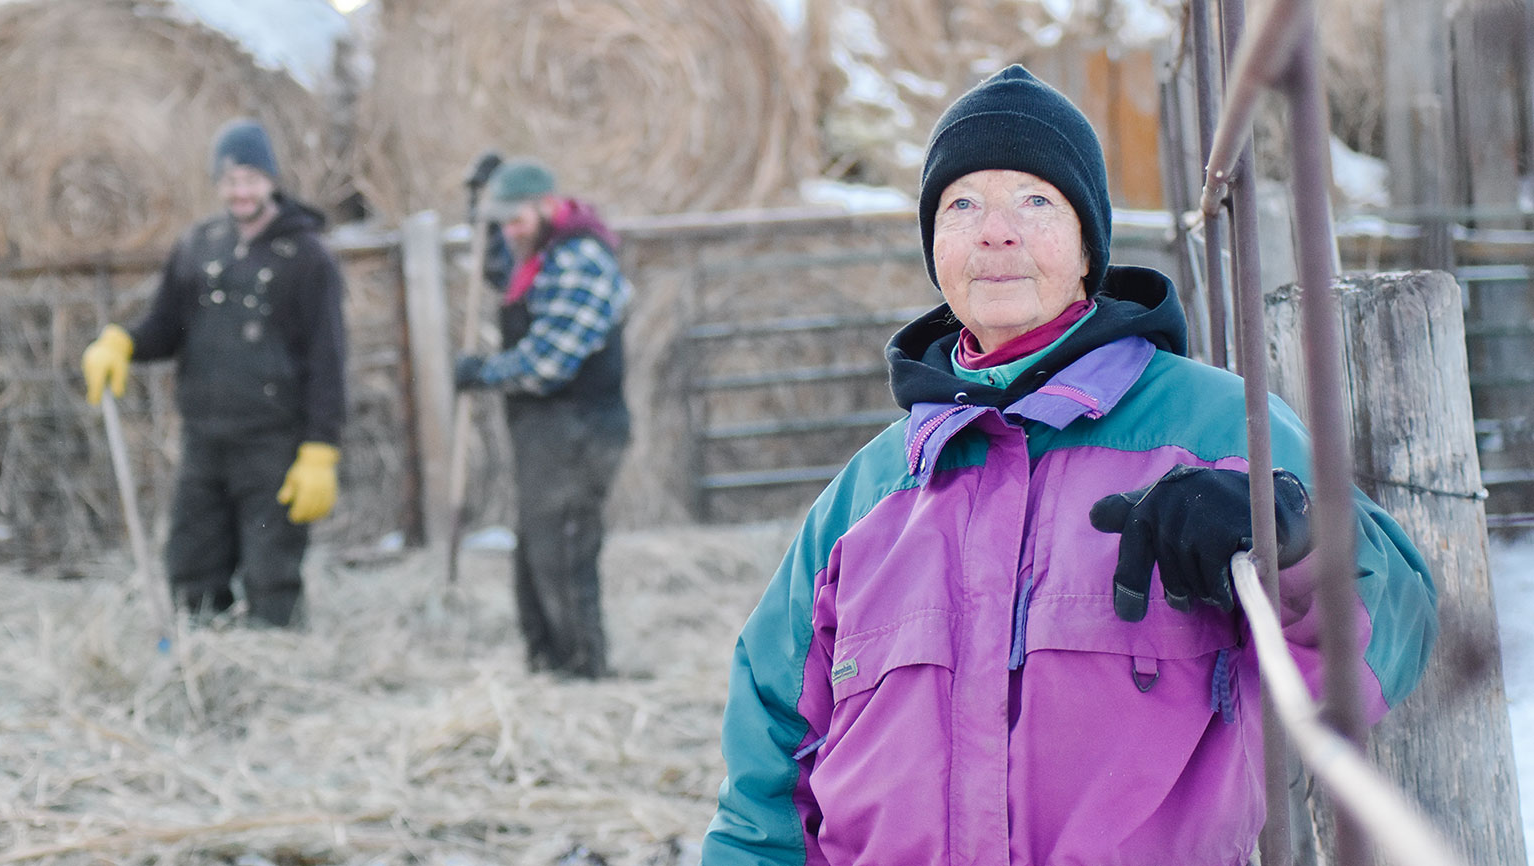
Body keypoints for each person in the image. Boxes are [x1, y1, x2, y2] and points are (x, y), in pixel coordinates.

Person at [702, 65, 1438, 865]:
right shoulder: (868, 496)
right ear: (936, 248)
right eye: (963, 204)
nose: (997, 230)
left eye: (1036, 201)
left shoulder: (1217, 425)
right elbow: (768, 771)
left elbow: (1392, 627)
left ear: (1089, 245)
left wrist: (1286, 536)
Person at [81, 118, 347, 628]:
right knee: (191, 562)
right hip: (205, 440)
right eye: (228, 181)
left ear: (271, 179)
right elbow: (166, 325)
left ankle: (274, 669)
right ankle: (207, 666)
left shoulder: (307, 256)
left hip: (273, 444)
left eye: (249, 177)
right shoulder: (200, 245)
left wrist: (321, 449)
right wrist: (122, 341)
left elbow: (328, 359)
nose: (239, 191)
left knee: (271, 569)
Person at [453, 158, 632, 679]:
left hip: (579, 430)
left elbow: (548, 364)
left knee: (564, 551)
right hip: (549, 434)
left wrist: (486, 372)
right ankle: (545, 662)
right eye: (502, 223)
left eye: (517, 221)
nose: (510, 233)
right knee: (535, 547)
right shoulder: (539, 253)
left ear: (548, 205)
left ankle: (583, 671)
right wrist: (477, 208)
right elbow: (498, 270)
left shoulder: (579, 261)